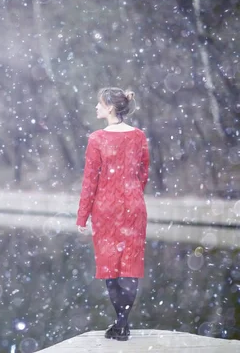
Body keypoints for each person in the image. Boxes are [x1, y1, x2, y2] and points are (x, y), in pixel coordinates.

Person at [76, 88, 150, 341]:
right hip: (133, 208)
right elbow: (144, 172)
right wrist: (132, 195)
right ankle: (122, 322)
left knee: (110, 267)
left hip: (105, 210)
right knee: (130, 265)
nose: (96, 107)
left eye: (99, 103)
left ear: (109, 108)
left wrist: (83, 215)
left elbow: (90, 180)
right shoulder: (139, 136)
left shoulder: (97, 139)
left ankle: (120, 323)